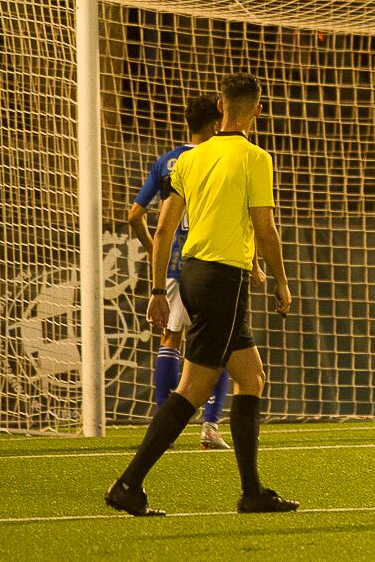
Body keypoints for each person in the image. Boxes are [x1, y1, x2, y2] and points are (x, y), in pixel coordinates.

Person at [106, 73, 297, 517]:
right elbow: (264, 227)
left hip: (192, 275)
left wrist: (157, 289)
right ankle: (128, 484)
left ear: (219, 105)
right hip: (222, 281)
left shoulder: (187, 160)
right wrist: (281, 279)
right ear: (258, 109)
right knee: (192, 389)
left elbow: (162, 230)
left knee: (251, 379)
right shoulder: (254, 157)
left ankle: (252, 493)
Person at [124, 94, 237, 449]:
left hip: (173, 264)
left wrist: (153, 246)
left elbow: (134, 215)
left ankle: (164, 424)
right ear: (216, 123)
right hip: (210, 261)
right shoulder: (217, 159)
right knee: (217, 345)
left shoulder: (167, 162)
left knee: (171, 338)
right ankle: (210, 426)